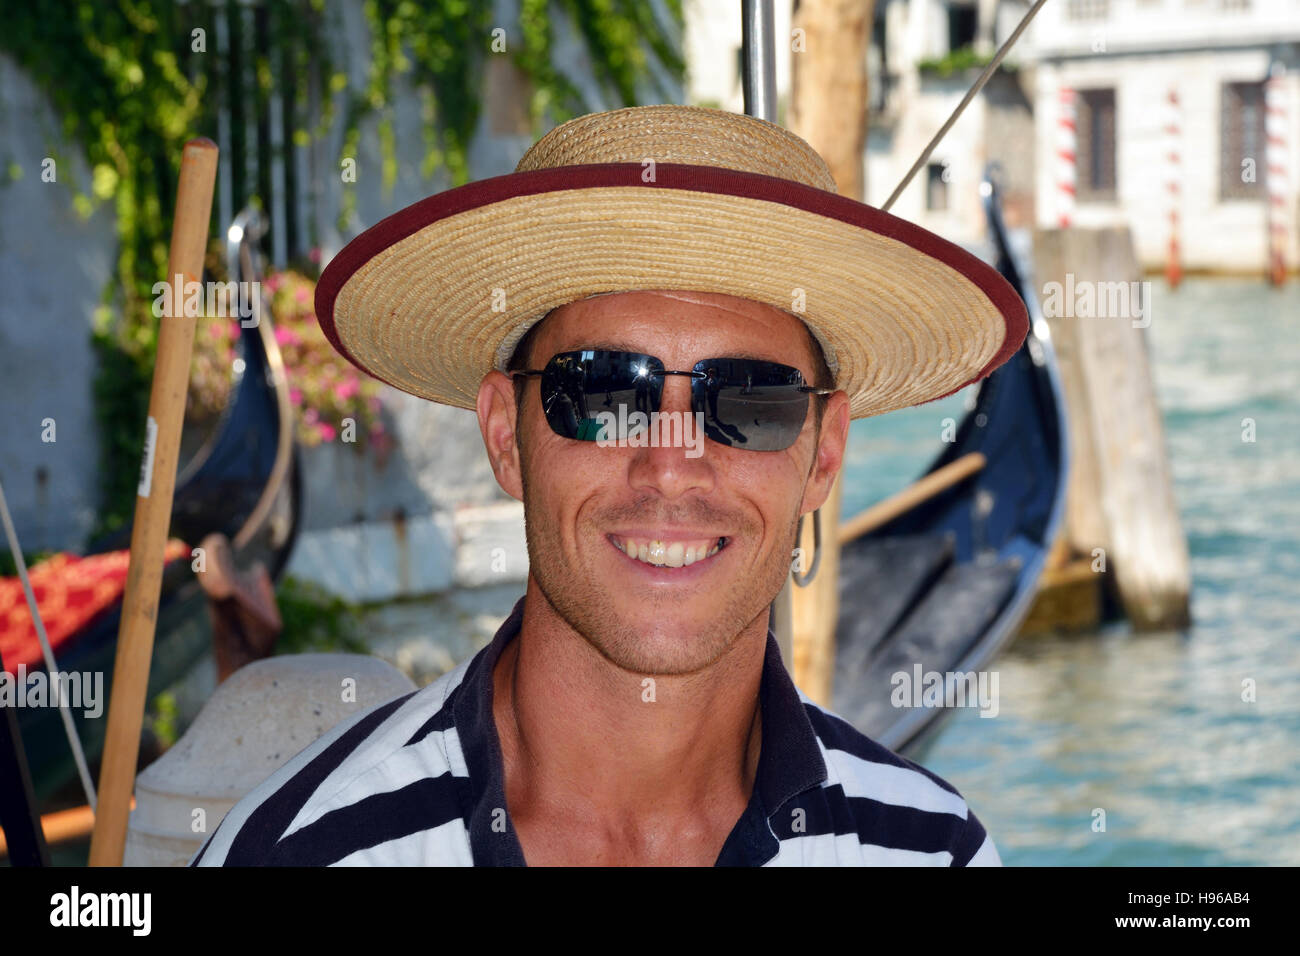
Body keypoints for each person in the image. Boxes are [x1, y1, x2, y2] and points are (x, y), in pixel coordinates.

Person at [192, 104, 1025, 866]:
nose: (668, 464)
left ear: (825, 454)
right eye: (599, 394)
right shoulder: (300, 853)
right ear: (504, 437)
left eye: (747, 401)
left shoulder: (931, 853)